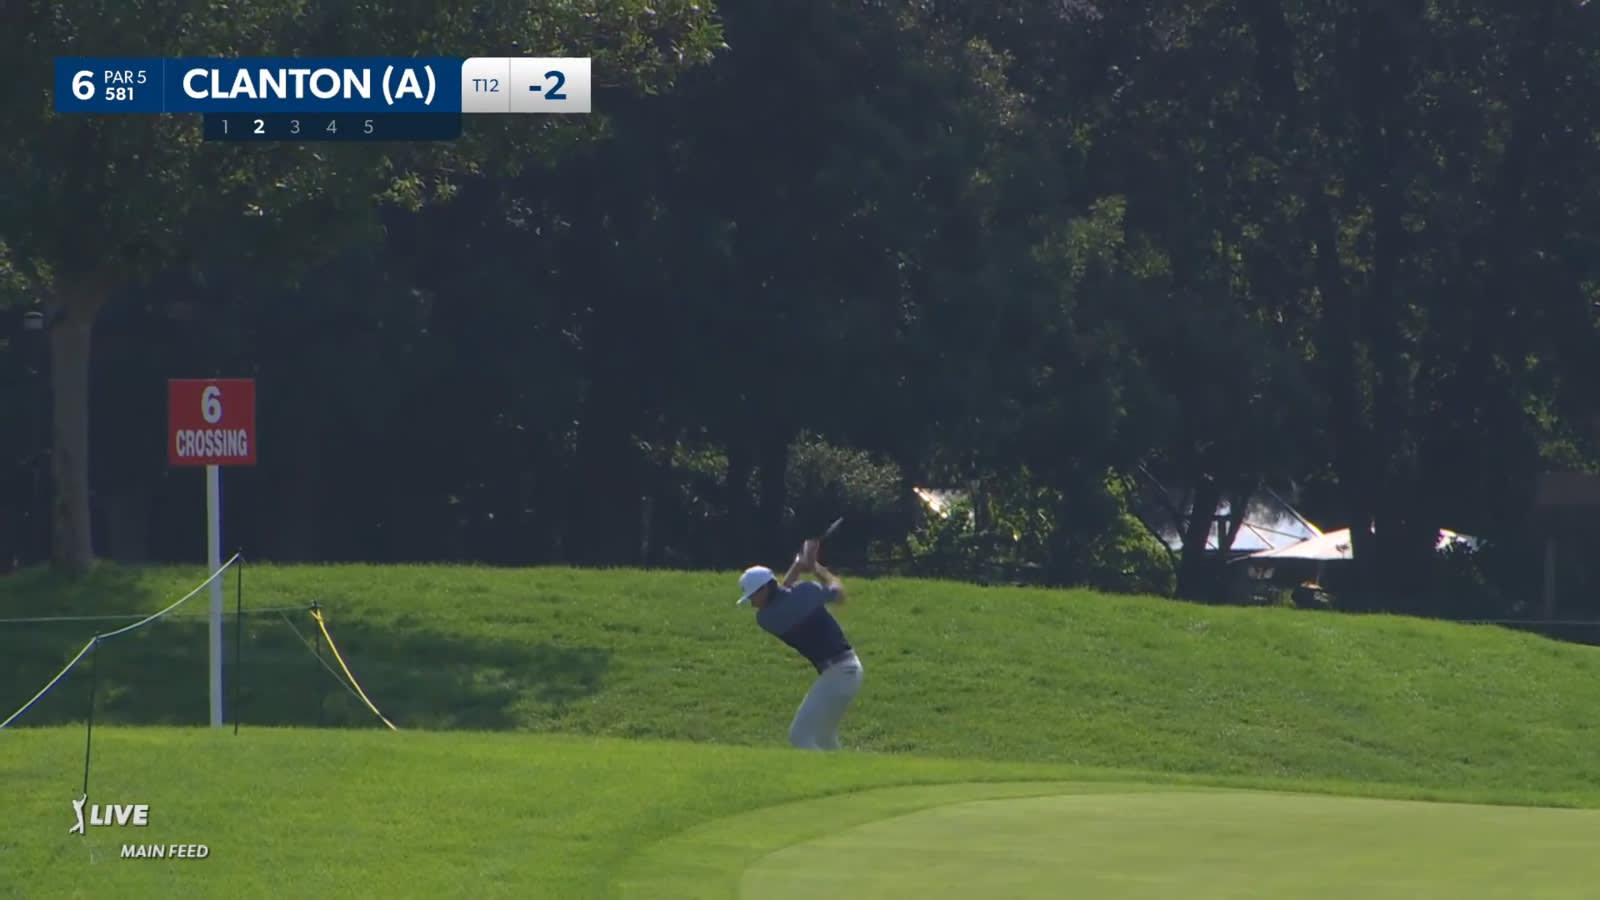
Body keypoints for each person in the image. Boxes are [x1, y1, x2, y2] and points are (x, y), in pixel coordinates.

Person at [737, 537, 863, 751]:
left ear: (765, 589)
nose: (751, 602)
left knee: (799, 736)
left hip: (837, 673)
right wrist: (815, 568)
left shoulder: (765, 619)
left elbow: (784, 595)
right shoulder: (805, 592)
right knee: (825, 738)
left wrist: (801, 565)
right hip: (851, 670)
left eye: (753, 596)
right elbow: (839, 593)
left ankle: (823, 776)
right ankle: (845, 773)